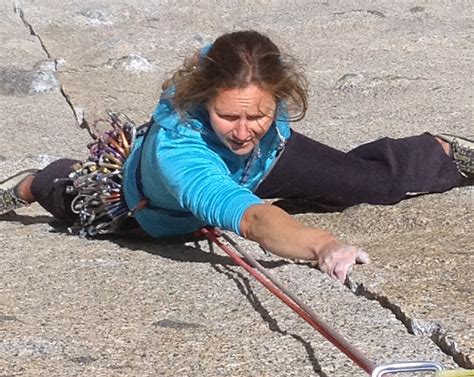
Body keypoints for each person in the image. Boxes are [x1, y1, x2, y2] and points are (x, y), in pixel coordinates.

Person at [1, 30, 473, 282]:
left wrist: (260, 135)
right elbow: (250, 220)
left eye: (259, 115)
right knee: (71, 193)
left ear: (279, 95)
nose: (244, 130)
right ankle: (32, 182)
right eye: (229, 116)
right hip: (150, 205)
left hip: (261, 167)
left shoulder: (260, 88)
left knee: (374, 185)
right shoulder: (181, 153)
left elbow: (232, 62)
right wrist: (322, 247)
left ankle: (447, 153)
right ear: (205, 98)